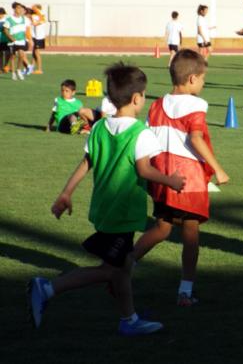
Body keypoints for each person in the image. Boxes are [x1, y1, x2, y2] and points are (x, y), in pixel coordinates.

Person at [29, 63, 186, 335]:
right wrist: (172, 181)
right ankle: (48, 288)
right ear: (137, 98)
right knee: (111, 270)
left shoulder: (99, 127)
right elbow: (144, 170)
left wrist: (66, 193)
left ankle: (129, 319)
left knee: (123, 267)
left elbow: (85, 163)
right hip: (122, 213)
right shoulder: (140, 133)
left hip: (103, 208)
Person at [134, 49, 229, 306]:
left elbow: (145, 137)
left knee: (162, 227)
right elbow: (196, 138)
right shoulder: (196, 104)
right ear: (191, 80)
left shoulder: (155, 104)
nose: (203, 83)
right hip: (188, 177)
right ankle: (185, 292)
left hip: (162, 176)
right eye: (202, 78)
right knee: (191, 234)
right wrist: (218, 169)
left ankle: (124, 267)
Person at [3, 2, 30, 80]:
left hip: (21, 40)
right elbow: (5, 30)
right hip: (12, 41)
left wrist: (29, 39)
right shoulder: (9, 19)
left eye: (21, 8)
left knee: (21, 55)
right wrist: (11, 38)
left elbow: (27, 29)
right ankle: (13, 73)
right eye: (18, 8)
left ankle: (18, 70)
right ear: (14, 9)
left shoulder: (24, 19)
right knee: (13, 56)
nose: (20, 9)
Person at [30, 4, 46, 74]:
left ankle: (39, 69)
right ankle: (31, 67)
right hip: (35, 36)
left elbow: (42, 21)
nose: (32, 9)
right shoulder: (34, 15)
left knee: (37, 52)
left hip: (39, 36)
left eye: (34, 8)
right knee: (34, 52)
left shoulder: (41, 14)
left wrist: (35, 23)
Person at [0, 7, 9, 73]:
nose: (1, 15)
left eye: (2, 14)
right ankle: (0, 68)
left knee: (7, 53)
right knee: (0, 54)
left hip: (6, 39)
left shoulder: (6, 20)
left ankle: (6, 66)